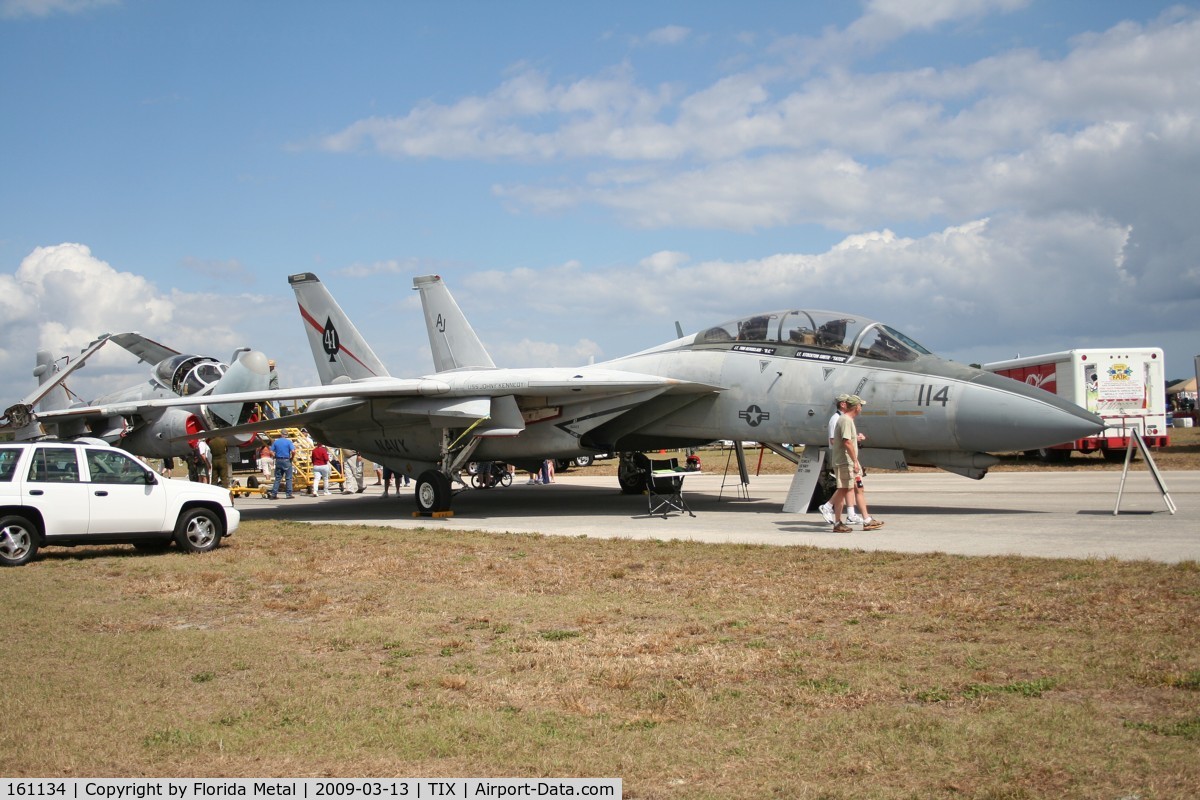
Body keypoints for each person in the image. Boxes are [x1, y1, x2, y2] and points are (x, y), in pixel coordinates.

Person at [829, 395, 883, 532]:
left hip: (849, 462)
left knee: (858, 488)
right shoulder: (845, 420)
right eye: (861, 405)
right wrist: (855, 461)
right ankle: (836, 521)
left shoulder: (847, 420)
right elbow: (846, 442)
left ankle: (867, 520)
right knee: (842, 490)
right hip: (845, 462)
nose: (861, 408)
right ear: (856, 407)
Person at [819, 395, 864, 525]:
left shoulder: (844, 419)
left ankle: (850, 515)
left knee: (849, 487)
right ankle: (828, 507)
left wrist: (855, 438)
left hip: (847, 457)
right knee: (845, 486)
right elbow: (834, 440)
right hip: (843, 458)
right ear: (843, 404)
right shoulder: (837, 419)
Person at [267, 431, 296, 499]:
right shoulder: (289, 442)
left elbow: (271, 451)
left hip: (278, 460)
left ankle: (274, 494)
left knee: (277, 478)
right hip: (286, 460)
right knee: (288, 478)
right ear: (286, 435)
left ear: (281, 435)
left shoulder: (276, 442)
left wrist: (275, 456)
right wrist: (292, 457)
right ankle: (288, 494)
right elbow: (293, 451)